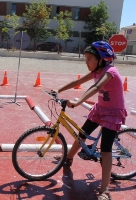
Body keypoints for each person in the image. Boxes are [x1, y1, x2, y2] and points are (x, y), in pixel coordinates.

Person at [52, 41, 127, 200]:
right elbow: (77, 82)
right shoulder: (96, 71)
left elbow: (96, 88)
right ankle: (69, 158)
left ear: (101, 59)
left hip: (113, 113)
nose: (86, 62)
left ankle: (105, 190)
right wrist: (58, 89)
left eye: (89, 59)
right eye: (85, 59)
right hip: (100, 109)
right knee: (82, 134)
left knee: (105, 150)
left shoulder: (110, 71)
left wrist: (79, 101)